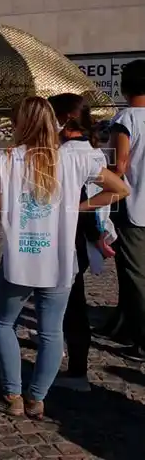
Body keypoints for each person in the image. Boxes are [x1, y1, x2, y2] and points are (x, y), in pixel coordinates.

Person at [0, 97, 128, 419]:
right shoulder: (73, 159)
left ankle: (12, 394)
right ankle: (37, 398)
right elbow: (119, 189)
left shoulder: (10, 157)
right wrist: (79, 208)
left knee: (5, 322)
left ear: (20, 123)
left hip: (21, 258)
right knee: (51, 331)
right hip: (59, 260)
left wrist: (2, 211)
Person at [48, 93, 114, 391]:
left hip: (72, 236)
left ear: (64, 119)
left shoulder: (67, 155)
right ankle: (61, 349)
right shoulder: (91, 150)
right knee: (68, 299)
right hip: (86, 235)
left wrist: (80, 211)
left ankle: (76, 370)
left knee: (71, 302)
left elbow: (94, 196)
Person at [102, 59, 145, 361]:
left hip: (134, 207)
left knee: (135, 275)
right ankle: (123, 324)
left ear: (124, 87)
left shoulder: (126, 118)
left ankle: (141, 338)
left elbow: (119, 165)